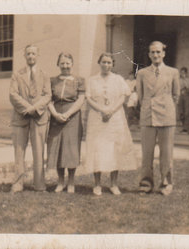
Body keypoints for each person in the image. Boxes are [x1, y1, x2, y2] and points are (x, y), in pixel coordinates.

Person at [85, 52, 137, 196]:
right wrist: (102, 110)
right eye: (103, 62)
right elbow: (88, 98)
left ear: (112, 64)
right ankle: (97, 185)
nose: (106, 65)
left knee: (115, 149)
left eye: (109, 63)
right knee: (97, 149)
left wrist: (111, 110)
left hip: (115, 118)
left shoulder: (118, 79)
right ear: (99, 63)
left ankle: (114, 184)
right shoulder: (92, 80)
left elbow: (123, 96)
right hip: (97, 118)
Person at [136, 41, 180, 196]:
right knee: (147, 152)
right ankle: (146, 183)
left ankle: (166, 183)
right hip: (148, 115)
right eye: (152, 52)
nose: (155, 55)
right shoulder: (142, 73)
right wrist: (148, 107)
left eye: (158, 52)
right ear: (149, 55)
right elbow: (141, 97)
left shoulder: (172, 72)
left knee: (166, 153)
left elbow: (176, 95)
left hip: (166, 116)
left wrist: (167, 108)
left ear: (164, 53)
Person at [9, 44, 51, 193]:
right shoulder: (17, 74)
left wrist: (34, 108)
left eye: (33, 53)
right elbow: (13, 94)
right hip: (21, 117)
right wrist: (27, 108)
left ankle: (39, 184)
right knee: (19, 151)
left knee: (39, 151)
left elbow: (47, 95)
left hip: (39, 118)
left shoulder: (44, 74)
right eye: (28, 54)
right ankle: (18, 183)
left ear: (37, 55)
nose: (31, 56)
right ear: (24, 56)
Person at [47, 53, 86, 194]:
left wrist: (68, 114)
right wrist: (55, 114)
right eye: (62, 63)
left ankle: (71, 182)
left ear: (72, 64)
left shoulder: (79, 80)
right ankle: (60, 181)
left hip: (73, 117)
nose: (65, 66)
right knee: (58, 148)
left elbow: (81, 99)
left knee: (71, 149)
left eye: (67, 63)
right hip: (56, 116)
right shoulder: (52, 81)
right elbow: (48, 99)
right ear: (58, 64)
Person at [178, 67, 189, 134]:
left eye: (183, 72)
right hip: (180, 96)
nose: (182, 74)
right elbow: (178, 87)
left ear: (186, 73)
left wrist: (184, 80)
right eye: (181, 72)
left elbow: (188, 87)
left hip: (186, 97)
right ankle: (183, 127)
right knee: (181, 113)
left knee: (187, 113)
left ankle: (188, 129)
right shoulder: (178, 80)